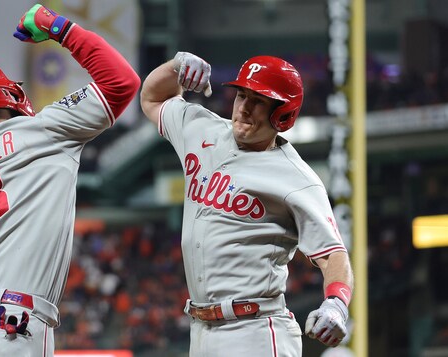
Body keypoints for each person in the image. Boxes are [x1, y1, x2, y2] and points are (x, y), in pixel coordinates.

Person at [0, 4, 140, 356]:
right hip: (12, 320)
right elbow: (122, 82)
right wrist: (58, 27)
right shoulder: (42, 129)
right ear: (7, 95)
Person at [140, 51, 354, 356]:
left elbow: (333, 254)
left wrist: (336, 303)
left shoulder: (296, 178)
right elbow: (152, 99)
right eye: (241, 95)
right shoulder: (203, 130)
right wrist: (176, 68)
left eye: (258, 100)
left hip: (255, 331)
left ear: (282, 114)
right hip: (200, 330)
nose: (244, 108)